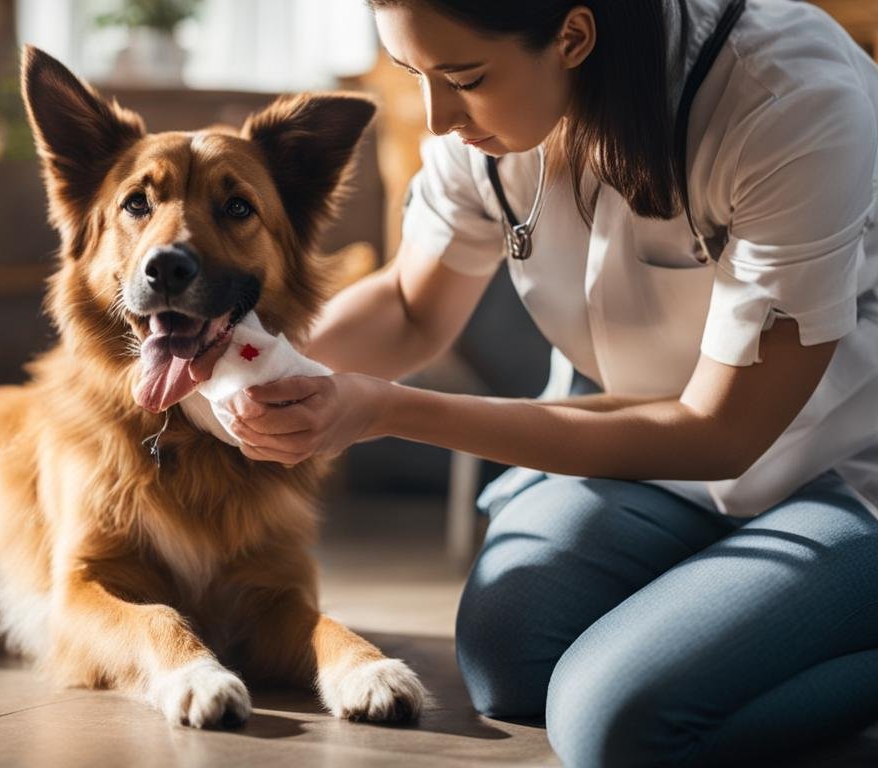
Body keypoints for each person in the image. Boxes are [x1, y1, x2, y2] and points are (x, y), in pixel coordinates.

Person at [214, 1, 878, 764]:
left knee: (611, 723)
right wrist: (236, 361)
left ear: (573, 35)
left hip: (836, 467)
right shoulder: (485, 121)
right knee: (510, 660)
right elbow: (408, 310)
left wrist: (385, 409)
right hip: (650, 461)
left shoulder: (786, 102)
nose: (436, 117)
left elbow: (722, 430)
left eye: (462, 77)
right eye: (414, 75)